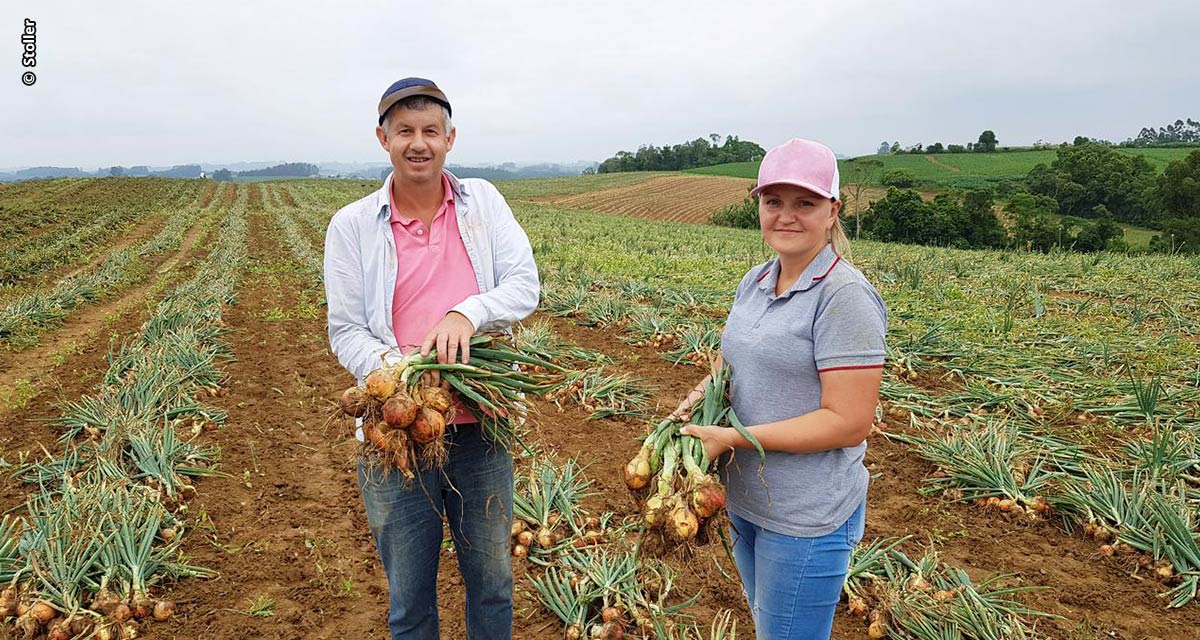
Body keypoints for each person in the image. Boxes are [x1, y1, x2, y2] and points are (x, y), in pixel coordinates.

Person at [323, 77, 539, 640]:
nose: (418, 143)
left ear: (449, 138)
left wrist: (467, 313)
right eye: (405, 132)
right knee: (409, 597)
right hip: (398, 431)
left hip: (483, 428)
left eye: (430, 131)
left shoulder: (483, 203)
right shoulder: (351, 226)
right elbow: (346, 330)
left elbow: (524, 285)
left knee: (491, 585)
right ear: (383, 139)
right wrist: (405, 380)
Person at [671, 138, 886, 640]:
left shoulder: (843, 296)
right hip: (745, 498)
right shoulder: (756, 280)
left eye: (805, 203)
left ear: (833, 211)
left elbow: (849, 421)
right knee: (771, 626)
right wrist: (689, 407)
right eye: (774, 202)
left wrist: (737, 439)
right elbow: (729, 369)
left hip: (803, 516)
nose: (786, 216)